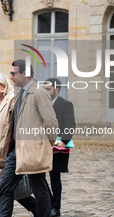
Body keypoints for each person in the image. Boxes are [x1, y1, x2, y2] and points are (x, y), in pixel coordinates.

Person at [0, 59, 58, 217]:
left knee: (39, 189)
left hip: (32, 150)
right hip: (15, 151)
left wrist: (46, 145)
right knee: (5, 187)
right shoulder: (18, 94)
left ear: (24, 73)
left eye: (13, 73)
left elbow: (51, 122)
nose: (11, 77)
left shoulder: (39, 93)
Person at [0, 73, 39, 217]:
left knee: (3, 187)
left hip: (7, 151)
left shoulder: (12, 100)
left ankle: (38, 208)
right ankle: (38, 209)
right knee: (4, 187)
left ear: (3, 86)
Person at [44, 78, 76, 217]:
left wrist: (64, 141)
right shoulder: (41, 104)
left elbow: (70, 124)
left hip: (57, 146)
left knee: (54, 177)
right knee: (37, 176)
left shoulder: (66, 104)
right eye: (44, 89)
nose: (45, 92)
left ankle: (55, 207)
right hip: (41, 145)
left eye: (48, 89)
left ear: (56, 90)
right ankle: (47, 202)